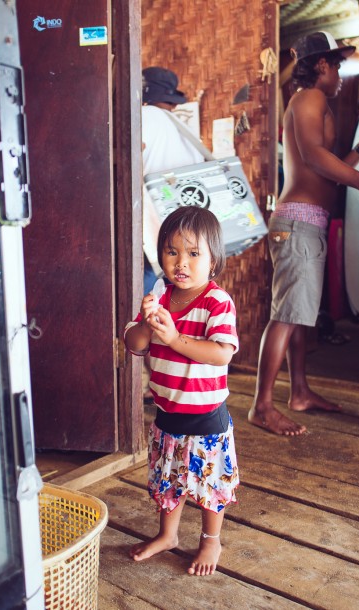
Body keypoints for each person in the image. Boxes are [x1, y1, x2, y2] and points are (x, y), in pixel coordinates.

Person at [248, 31, 359, 436]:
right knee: (287, 314)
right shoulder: (309, 97)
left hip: (307, 221)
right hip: (298, 221)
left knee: (301, 314)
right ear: (321, 65)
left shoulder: (312, 102)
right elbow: (314, 157)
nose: (339, 74)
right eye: (336, 65)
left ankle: (299, 391)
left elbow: (322, 167)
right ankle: (262, 406)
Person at [123, 205, 240, 576]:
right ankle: (168, 535)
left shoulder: (216, 302)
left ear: (213, 261)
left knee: (209, 484)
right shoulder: (160, 298)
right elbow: (134, 343)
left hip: (206, 416)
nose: (181, 263)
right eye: (172, 252)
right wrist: (147, 321)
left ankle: (210, 539)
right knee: (169, 477)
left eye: (193, 253)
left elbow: (221, 354)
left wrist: (174, 337)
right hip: (168, 413)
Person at [139, 67, 206, 403]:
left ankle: (155, 384)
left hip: (149, 238)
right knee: (177, 312)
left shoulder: (143, 118)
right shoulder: (185, 132)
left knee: (148, 311)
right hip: (187, 245)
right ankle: (174, 384)